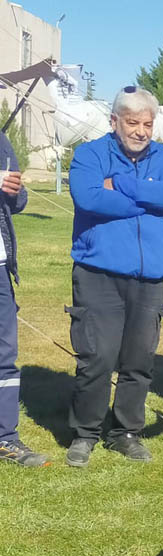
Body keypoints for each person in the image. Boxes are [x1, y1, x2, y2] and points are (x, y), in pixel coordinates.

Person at [65, 86, 163, 467]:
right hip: (97, 273)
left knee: (138, 359)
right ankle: (86, 432)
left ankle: (126, 432)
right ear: (114, 122)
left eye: (147, 123)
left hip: (150, 276)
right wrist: (146, 199)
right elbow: (88, 198)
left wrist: (120, 184)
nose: (140, 131)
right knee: (97, 357)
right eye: (132, 122)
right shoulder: (89, 154)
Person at [0, 131, 49, 467]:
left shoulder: (1, 140)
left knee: (5, 356)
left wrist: (15, 191)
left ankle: (6, 438)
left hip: (0, 264)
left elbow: (17, 203)